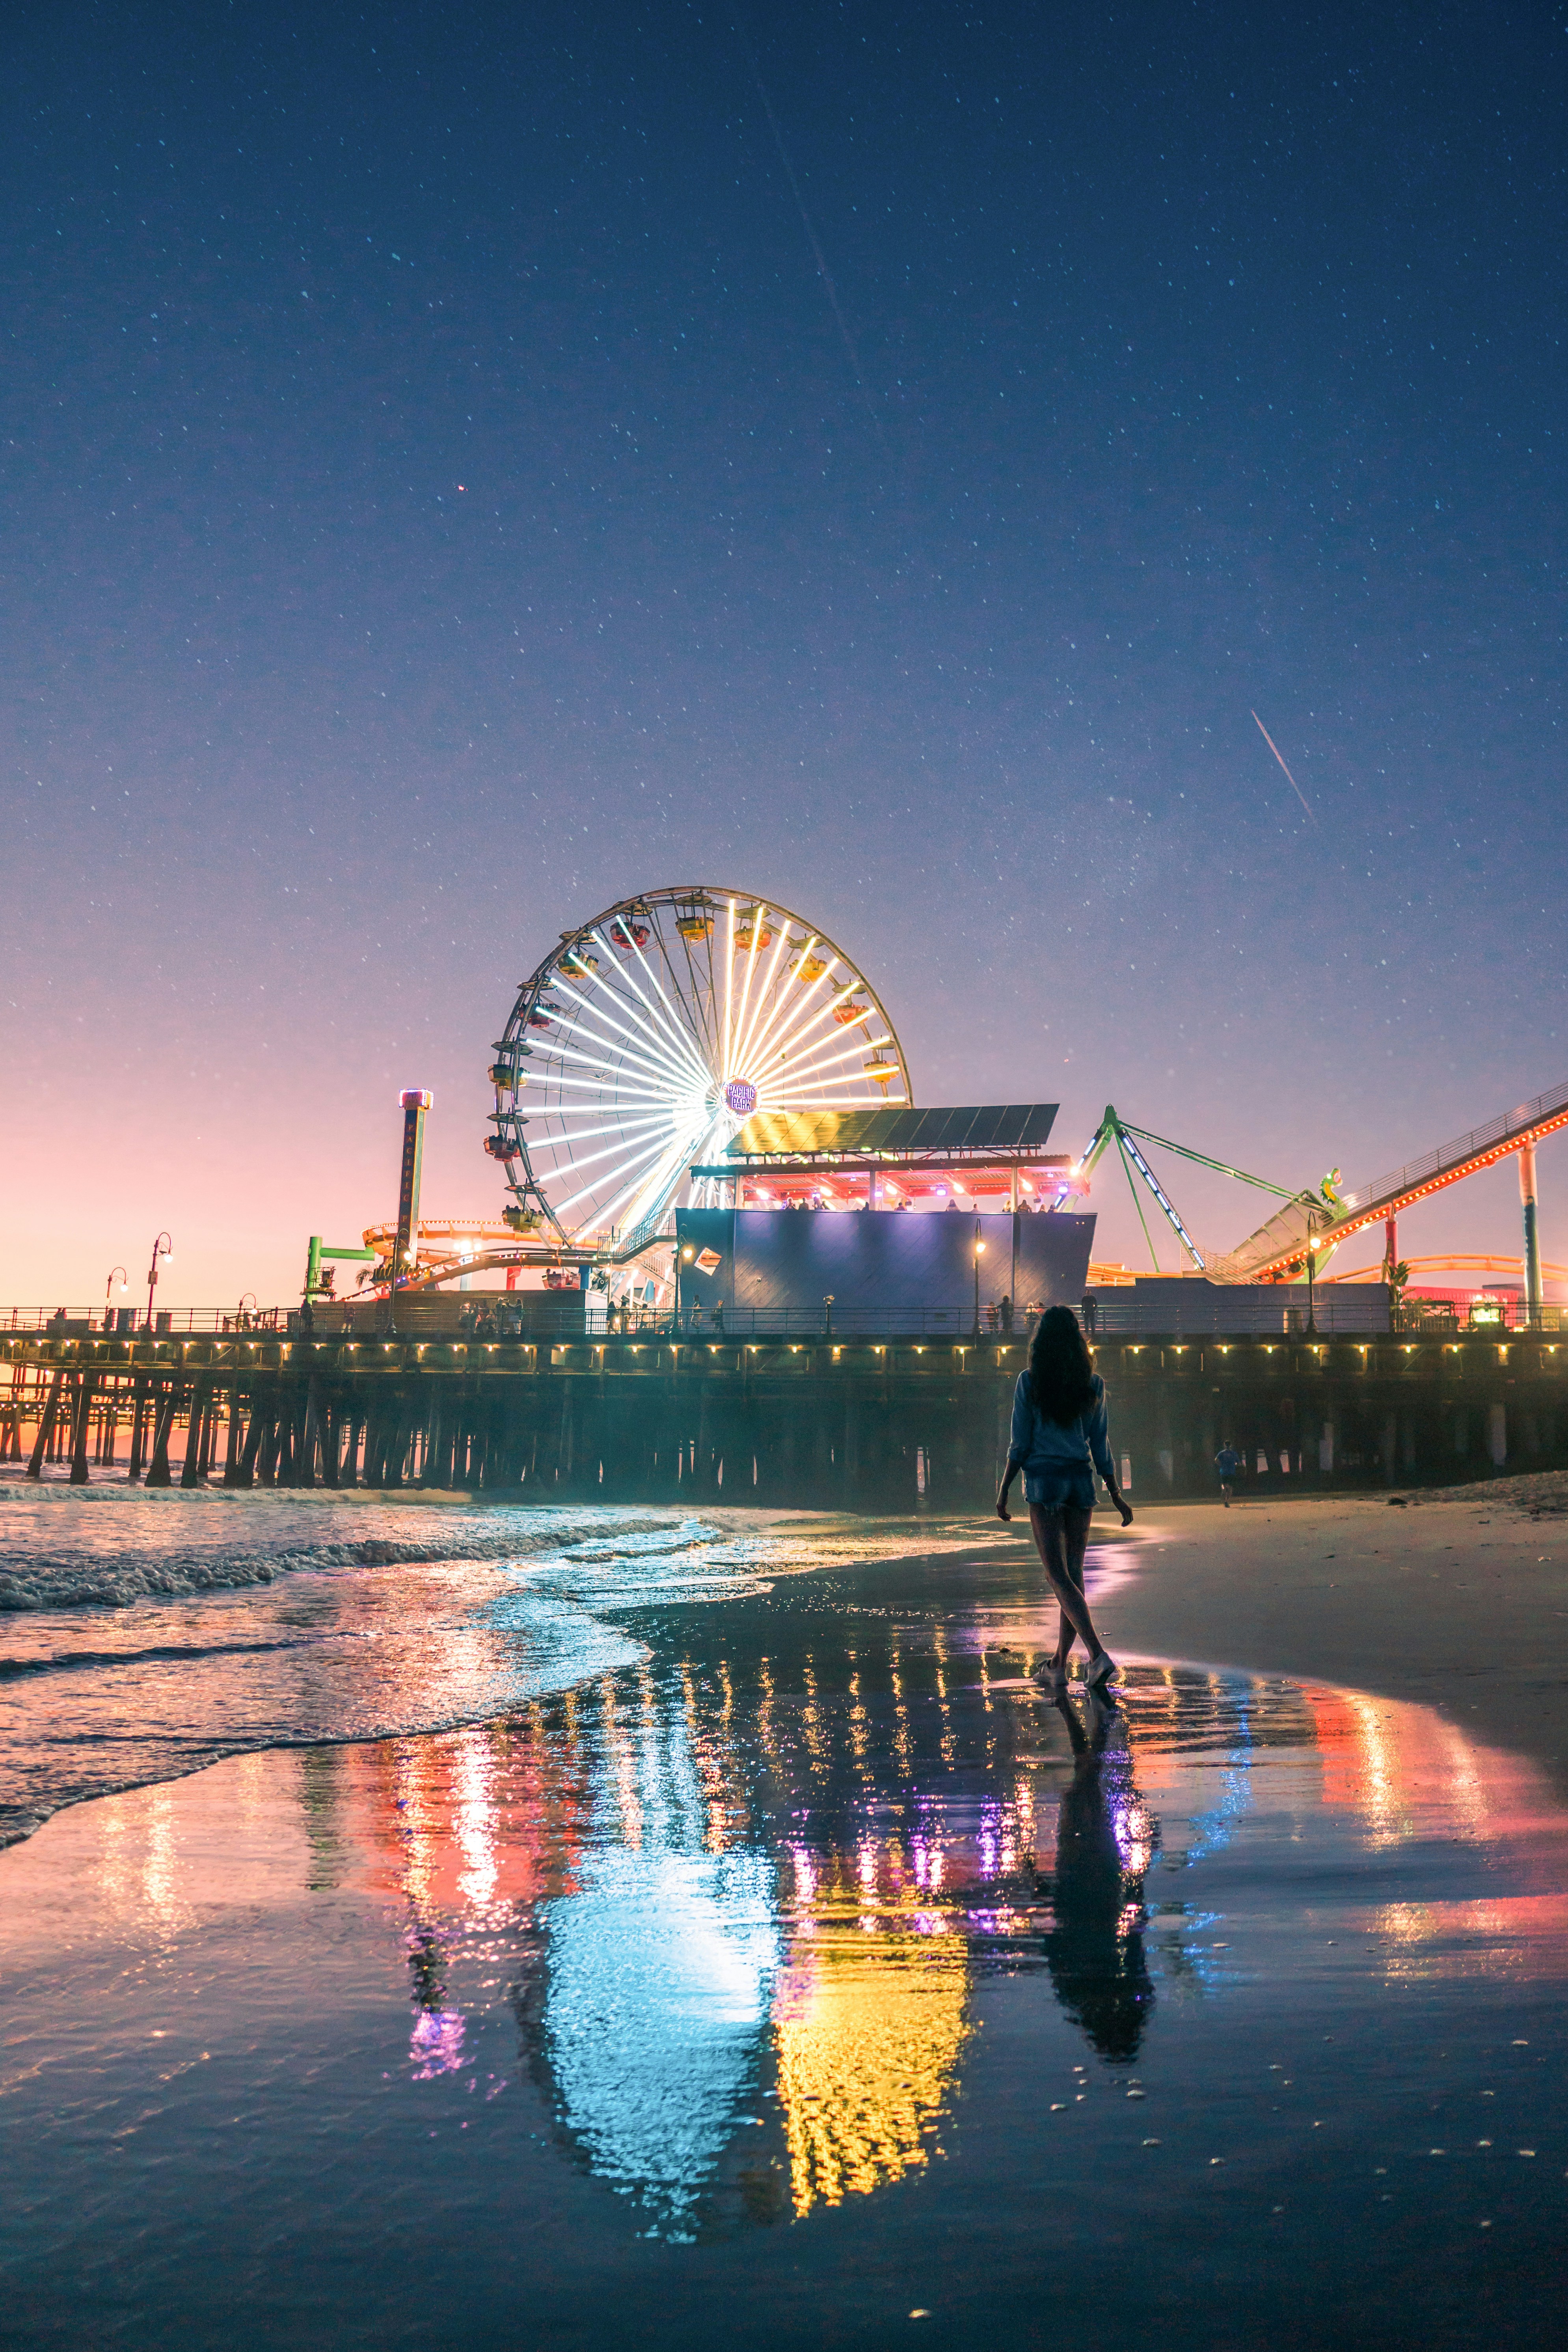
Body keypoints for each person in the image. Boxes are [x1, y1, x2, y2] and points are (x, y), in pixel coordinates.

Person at [996, 1303, 1132, 1691]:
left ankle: (1097, 1656)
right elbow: (1100, 1443)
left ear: (1042, 1340)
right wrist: (1116, 1494)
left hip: (1044, 1485)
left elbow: (1020, 1443)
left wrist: (1004, 1488)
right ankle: (1057, 1663)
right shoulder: (1092, 1383)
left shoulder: (1030, 1381)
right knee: (1073, 1576)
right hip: (1080, 1483)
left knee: (1058, 1576)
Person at [1214, 1441, 1240, 1507]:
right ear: (1231, 1445)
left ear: (1225, 1445)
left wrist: (1220, 1464)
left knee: (1223, 1484)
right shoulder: (1234, 1454)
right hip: (1231, 1472)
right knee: (1230, 1487)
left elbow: (1216, 1460)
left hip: (1223, 1471)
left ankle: (1223, 1489)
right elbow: (1239, 1463)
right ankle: (1227, 1501)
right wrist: (1235, 1465)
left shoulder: (1222, 1453)